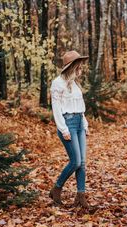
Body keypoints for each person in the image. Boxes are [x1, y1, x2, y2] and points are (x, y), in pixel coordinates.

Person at [49, 50, 90, 212]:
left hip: (79, 122)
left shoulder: (74, 84)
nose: (81, 68)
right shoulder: (57, 83)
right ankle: (56, 188)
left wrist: (85, 124)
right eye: (78, 65)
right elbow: (56, 108)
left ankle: (80, 197)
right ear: (71, 66)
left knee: (83, 164)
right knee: (76, 161)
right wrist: (63, 128)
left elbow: (80, 108)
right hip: (68, 124)